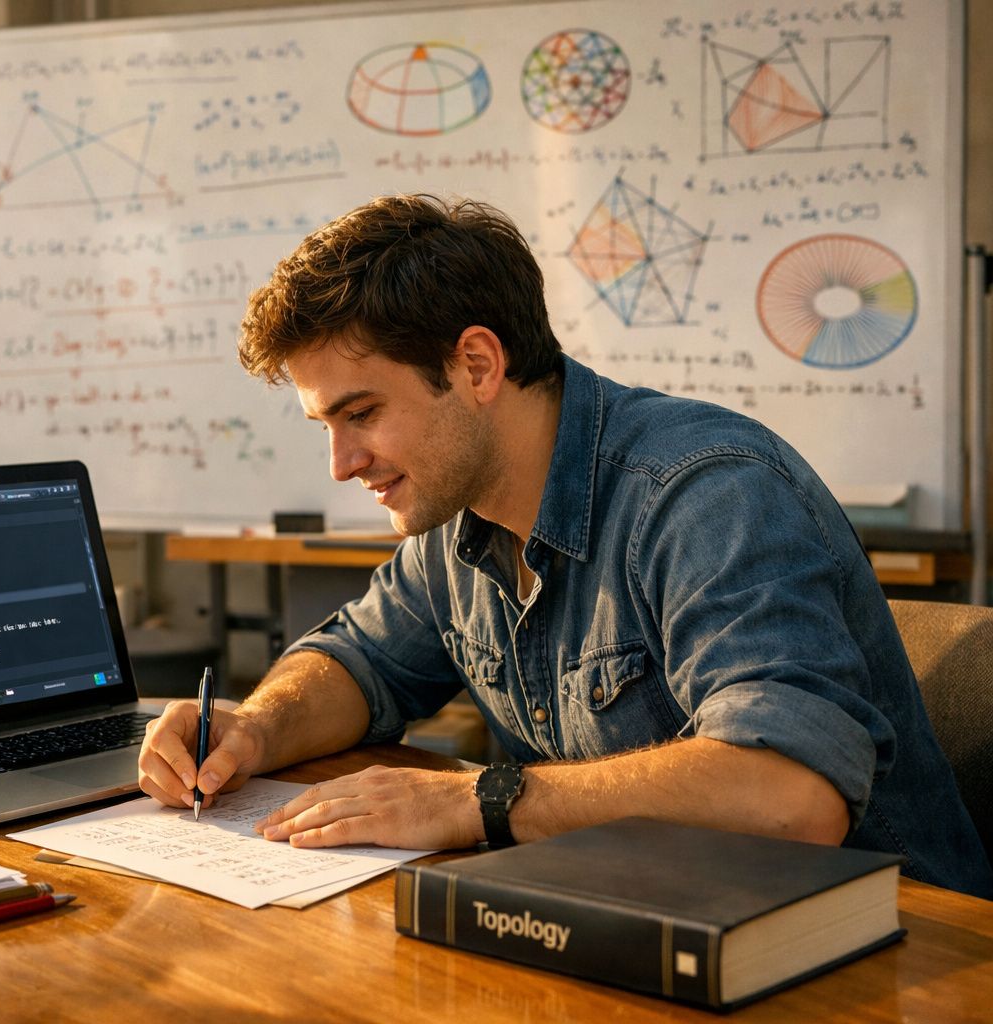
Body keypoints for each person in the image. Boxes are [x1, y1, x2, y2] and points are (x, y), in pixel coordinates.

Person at [136, 193, 993, 898]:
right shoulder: (457, 515)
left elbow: (791, 798)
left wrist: (480, 799)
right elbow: (359, 663)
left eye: (361, 413)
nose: (341, 463)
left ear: (477, 366)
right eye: (326, 424)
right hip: (638, 914)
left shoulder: (707, 493)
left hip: (884, 954)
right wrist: (254, 728)